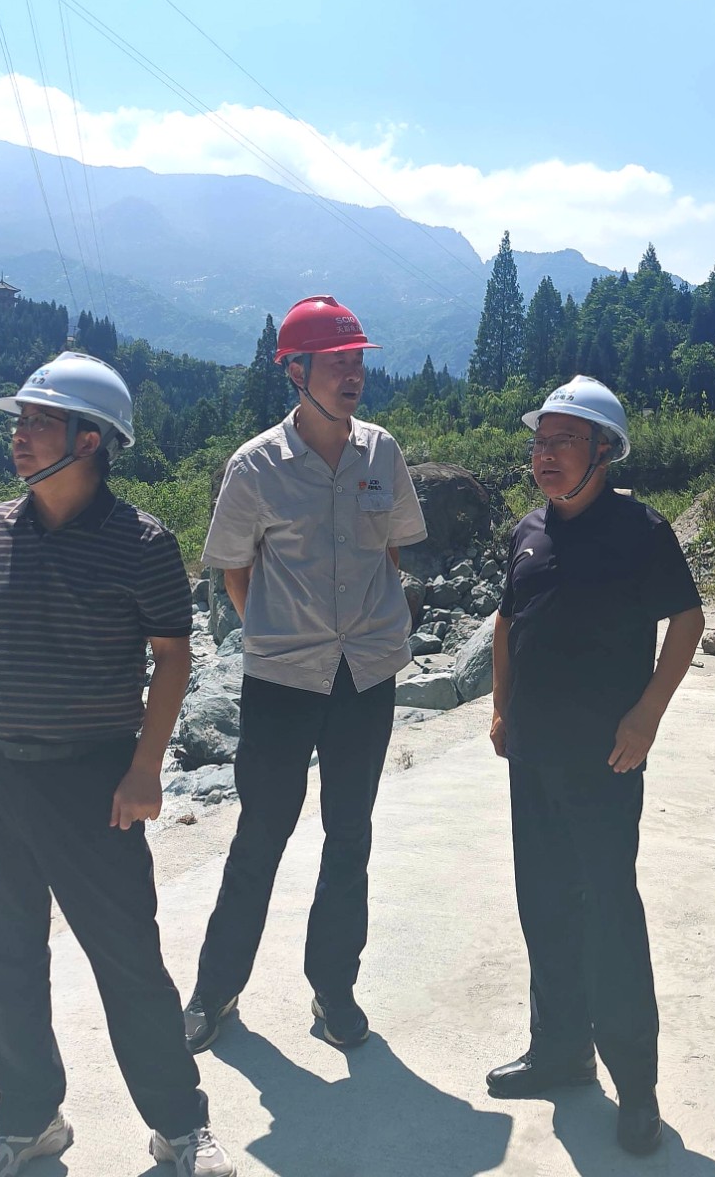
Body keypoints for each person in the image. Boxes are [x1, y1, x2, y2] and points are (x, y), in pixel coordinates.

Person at [0, 352, 235, 1177]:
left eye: (38, 422)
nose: (19, 436)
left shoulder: (143, 542)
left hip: (95, 781)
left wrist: (146, 768)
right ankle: (29, 1120)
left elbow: (173, 657)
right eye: (19, 421)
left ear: (91, 441)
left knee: (129, 961)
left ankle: (180, 1126)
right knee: (6, 960)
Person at [183, 295, 427, 1054]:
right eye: (335, 363)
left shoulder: (382, 453)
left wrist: (362, 628)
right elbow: (234, 571)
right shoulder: (255, 467)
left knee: (350, 832)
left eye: (357, 362)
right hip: (283, 679)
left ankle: (334, 988)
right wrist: (283, 633)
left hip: (367, 674)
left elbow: (392, 551)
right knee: (261, 833)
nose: (352, 376)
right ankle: (216, 989)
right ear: (296, 371)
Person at [485, 375, 705, 1157]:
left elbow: (688, 621)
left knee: (610, 917)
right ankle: (560, 1051)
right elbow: (506, 623)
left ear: (603, 451)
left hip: (605, 761)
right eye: (539, 442)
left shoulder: (641, 531)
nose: (544, 456)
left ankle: (636, 1087)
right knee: (543, 904)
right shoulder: (528, 531)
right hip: (533, 757)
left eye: (563, 442)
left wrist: (648, 714)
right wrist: (502, 708)